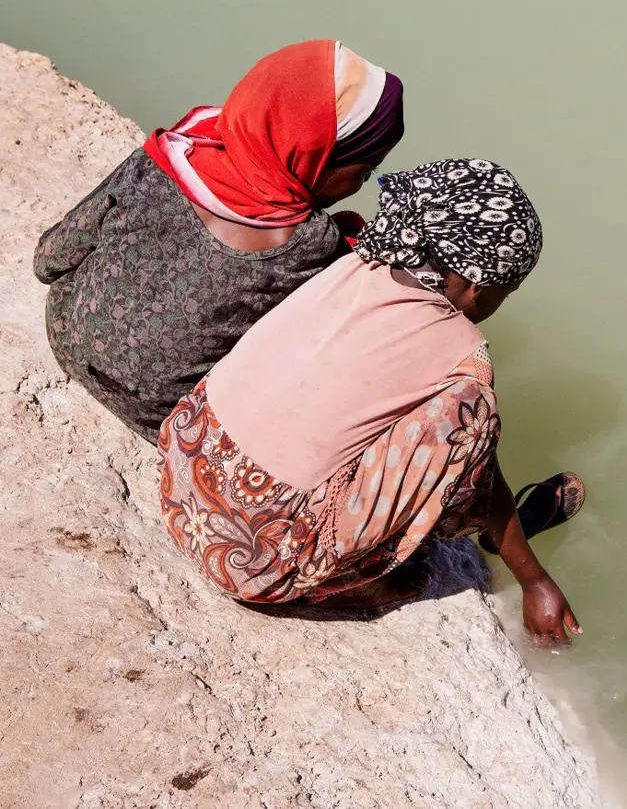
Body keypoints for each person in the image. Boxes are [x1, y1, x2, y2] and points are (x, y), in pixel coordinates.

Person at [157, 158, 585, 646]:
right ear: (475, 284)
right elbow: (470, 445)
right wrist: (535, 581)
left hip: (180, 470)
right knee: (469, 413)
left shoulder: (360, 263)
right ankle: (337, 582)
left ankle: (491, 531)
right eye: (505, 292)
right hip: (249, 558)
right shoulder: (461, 352)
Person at [33, 40, 404, 443]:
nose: (357, 185)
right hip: (161, 415)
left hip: (68, 334)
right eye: (365, 173)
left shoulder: (170, 154)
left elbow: (48, 260)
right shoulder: (310, 246)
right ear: (314, 156)